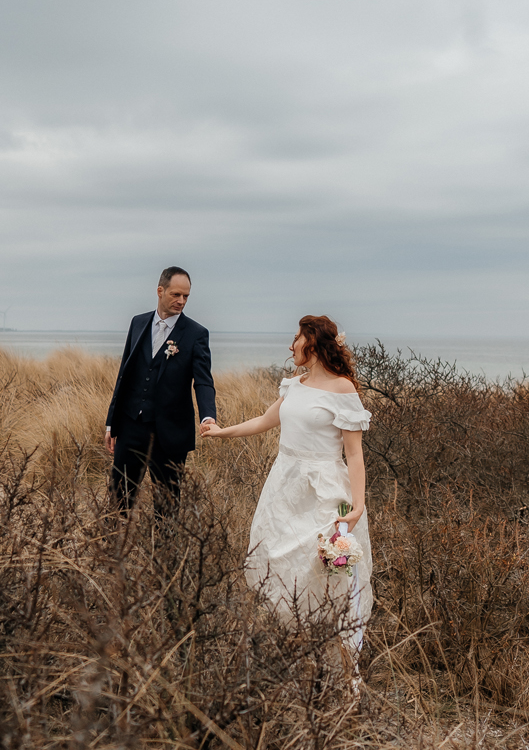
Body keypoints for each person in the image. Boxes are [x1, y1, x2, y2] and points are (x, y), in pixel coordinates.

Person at [201, 315, 372, 660]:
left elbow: (354, 454)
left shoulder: (343, 389)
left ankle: (336, 653)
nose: (290, 345)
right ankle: (295, 644)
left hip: (324, 488)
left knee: (325, 569)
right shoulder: (295, 384)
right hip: (285, 484)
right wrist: (221, 432)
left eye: (297, 338)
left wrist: (357, 506)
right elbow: (265, 421)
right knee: (279, 560)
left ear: (314, 343)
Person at [105, 267, 217, 516]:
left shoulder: (197, 334)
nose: (181, 301)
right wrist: (112, 423)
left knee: (166, 508)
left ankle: (164, 544)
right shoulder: (138, 323)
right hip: (131, 425)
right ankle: (114, 540)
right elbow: (124, 374)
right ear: (160, 291)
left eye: (186, 296)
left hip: (170, 433)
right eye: (176, 294)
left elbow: (203, 381)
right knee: (118, 500)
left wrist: (208, 415)